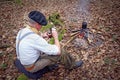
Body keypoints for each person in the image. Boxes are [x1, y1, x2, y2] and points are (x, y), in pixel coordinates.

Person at [15, 10, 83, 79]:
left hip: (24, 61)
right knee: (61, 52)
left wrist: (42, 36)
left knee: (47, 51)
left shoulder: (22, 31)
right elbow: (57, 51)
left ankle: (49, 64)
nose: (41, 27)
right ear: (37, 24)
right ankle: (71, 65)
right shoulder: (35, 39)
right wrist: (56, 38)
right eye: (41, 25)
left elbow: (31, 38)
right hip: (31, 67)